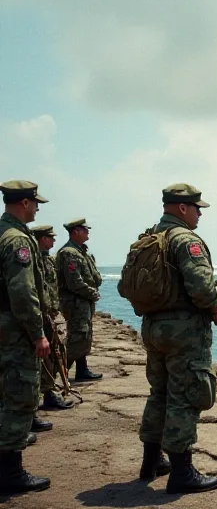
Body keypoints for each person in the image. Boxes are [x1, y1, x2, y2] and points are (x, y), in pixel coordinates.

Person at [122, 183, 217, 494]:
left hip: (153, 328)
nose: (199, 215)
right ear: (182, 208)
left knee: (160, 394)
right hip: (183, 332)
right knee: (185, 396)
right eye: (197, 209)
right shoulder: (186, 240)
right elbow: (204, 289)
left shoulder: (148, 239)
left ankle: (151, 462)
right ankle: (182, 472)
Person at [0, 180, 52, 495]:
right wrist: (38, 333)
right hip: (13, 329)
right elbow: (22, 291)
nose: (36, 209)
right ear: (23, 203)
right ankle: (10, 473)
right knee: (19, 397)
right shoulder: (17, 239)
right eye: (35, 203)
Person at [30, 225, 74, 411]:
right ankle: (42, 397)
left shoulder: (48, 260)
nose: (54, 241)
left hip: (51, 313)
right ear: (42, 239)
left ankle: (48, 394)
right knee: (44, 359)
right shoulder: (36, 259)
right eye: (50, 237)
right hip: (42, 314)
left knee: (54, 356)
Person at [56, 218, 103, 382]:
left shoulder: (81, 251)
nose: (88, 232)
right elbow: (74, 282)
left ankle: (82, 370)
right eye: (85, 230)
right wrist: (92, 293)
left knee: (83, 335)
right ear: (75, 232)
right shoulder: (69, 252)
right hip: (75, 302)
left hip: (82, 302)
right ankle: (60, 373)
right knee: (77, 337)